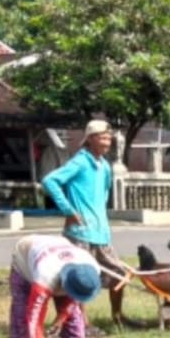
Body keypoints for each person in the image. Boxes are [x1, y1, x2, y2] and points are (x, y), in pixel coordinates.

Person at [41, 118, 127, 324]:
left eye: (109, 138)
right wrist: (68, 210)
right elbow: (49, 181)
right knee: (80, 277)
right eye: (102, 138)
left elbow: (103, 196)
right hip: (79, 233)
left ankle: (117, 317)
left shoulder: (105, 166)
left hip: (100, 233)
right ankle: (81, 323)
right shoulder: (80, 162)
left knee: (119, 274)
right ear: (90, 139)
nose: (107, 142)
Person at [9, 234, 102, 338]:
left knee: (74, 317)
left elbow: (76, 299)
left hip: (58, 249)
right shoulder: (45, 276)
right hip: (26, 257)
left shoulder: (91, 269)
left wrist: (62, 317)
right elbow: (34, 320)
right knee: (20, 315)